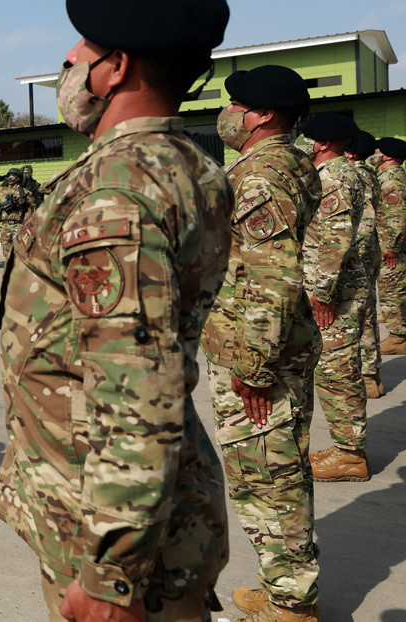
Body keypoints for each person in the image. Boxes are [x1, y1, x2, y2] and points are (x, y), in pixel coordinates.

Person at [0, 1, 232, 620]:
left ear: (116, 67)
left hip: (106, 526)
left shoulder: (115, 192)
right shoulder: (187, 165)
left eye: (82, 49)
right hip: (137, 509)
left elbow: (135, 394)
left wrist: (111, 576)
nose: (70, 61)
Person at [203, 64, 323, 622]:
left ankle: (292, 603)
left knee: (268, 477)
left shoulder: (260, 178)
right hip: (275, 346)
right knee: (274, 470)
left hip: (259, 355)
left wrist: (254, 366)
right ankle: (284, 587)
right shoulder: (290, 164)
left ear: (264, 115)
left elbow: (272, 277)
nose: (228, 113)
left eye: (238, 105)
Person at [300, 115, 369, 485]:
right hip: (334, 287)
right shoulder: (336, 173)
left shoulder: (336, 178)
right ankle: (345, 445)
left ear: (322, 143)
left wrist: (323, 294)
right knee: (334, 370)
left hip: (335, 293)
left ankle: (350, 456)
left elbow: (335, 238)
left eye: (307, 138)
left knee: (337, 372)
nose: (302, 144)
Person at [346, 132, 384, 397]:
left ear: (351, 152)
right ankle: (370, 373)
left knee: (361, 314)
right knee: (365, 311)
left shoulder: (358, 175)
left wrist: (352, 256)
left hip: (360, 254)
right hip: (367, 252)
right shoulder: (369, 173)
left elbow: (366, 221)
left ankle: (368, 375)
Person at [375, 137, 406, 356]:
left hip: (390, 246)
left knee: (391, 289)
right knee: (393, 287)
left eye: (378, 150)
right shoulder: (389, 176)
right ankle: (394, 320)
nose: (374, 153)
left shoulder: (391, 179)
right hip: (387, 242)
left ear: (388, 156)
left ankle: (398, 337)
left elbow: (397, 216)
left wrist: (392, 247)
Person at [0, 168, 39, 259]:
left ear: (19, 178)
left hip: (18, 225)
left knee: (20, 249)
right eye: (9, 175)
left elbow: (34, 208)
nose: (11, 177)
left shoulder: (24, 192)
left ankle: (19, 266)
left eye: (13, 175)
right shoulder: (1, 190)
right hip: (5, 225)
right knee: (6, 249)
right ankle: (10, 265)